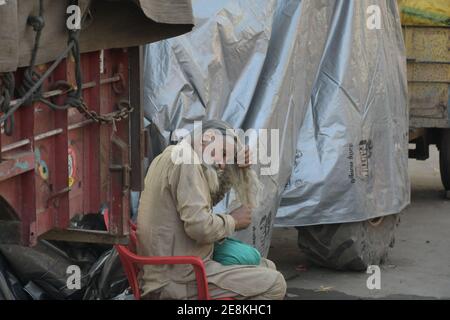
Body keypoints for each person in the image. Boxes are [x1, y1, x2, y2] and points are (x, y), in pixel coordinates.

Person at [136, 120, 286, 300]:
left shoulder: (174, 155)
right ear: (207, 138)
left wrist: (233, 168)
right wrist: (233, 221)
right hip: (178, 279)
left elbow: (202, 203)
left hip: (174, 270)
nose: (222, 164)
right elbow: (199, 228)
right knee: (275, 283)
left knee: (267, 266)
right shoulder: (186, 162)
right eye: (223, 154)